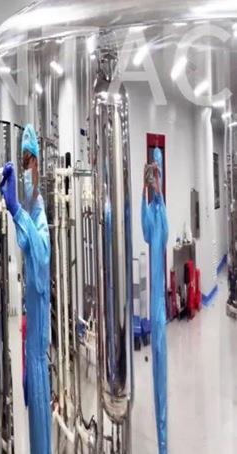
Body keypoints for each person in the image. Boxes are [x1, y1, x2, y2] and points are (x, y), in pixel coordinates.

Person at [0, 124, 51, 454]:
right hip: (29, 329)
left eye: (29, 160)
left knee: (39, 408)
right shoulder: (31, 209)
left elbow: (41, 252)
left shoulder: (38, 208)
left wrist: (17, 210)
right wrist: (13, 208)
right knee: (30, 404)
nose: (26, 167)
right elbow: (23, 241)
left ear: (38, 164)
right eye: (23, 161)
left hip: (38, 336)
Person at [142, 147, 168, 454]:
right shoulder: (150, 209)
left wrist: (158, 193)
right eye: (152, 173)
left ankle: (164, 442)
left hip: (160, 300)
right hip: (155, 299)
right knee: (156, 362)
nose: (154, 178)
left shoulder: (162, 210)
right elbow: (146, 233)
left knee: (162, 362)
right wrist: (143, 190)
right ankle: (162, 443)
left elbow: (163, 234)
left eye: (157, 173)